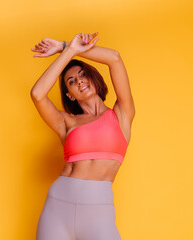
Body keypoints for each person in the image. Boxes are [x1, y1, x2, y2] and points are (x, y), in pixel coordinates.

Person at [30, 32, 135, 240]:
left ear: (94, 78)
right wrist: (69, 53)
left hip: (98, 214)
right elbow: (37, 94)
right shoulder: (66, 123)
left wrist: (65, 45)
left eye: (83, 75)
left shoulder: (121, 114)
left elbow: (114, 58)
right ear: (69, 94)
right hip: (57, 210)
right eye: (71, 81)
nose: (79, 81)